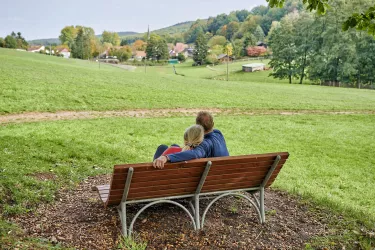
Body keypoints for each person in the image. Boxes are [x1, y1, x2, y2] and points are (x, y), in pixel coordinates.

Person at [153, 111, 229, 169]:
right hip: (221, 175)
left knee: (163, 147)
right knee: (174, 146)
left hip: (209, 181)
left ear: (197, 127)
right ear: (213, 124)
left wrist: (166, 157)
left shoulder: (205, 144)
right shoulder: (218, 133)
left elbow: (195, 153)